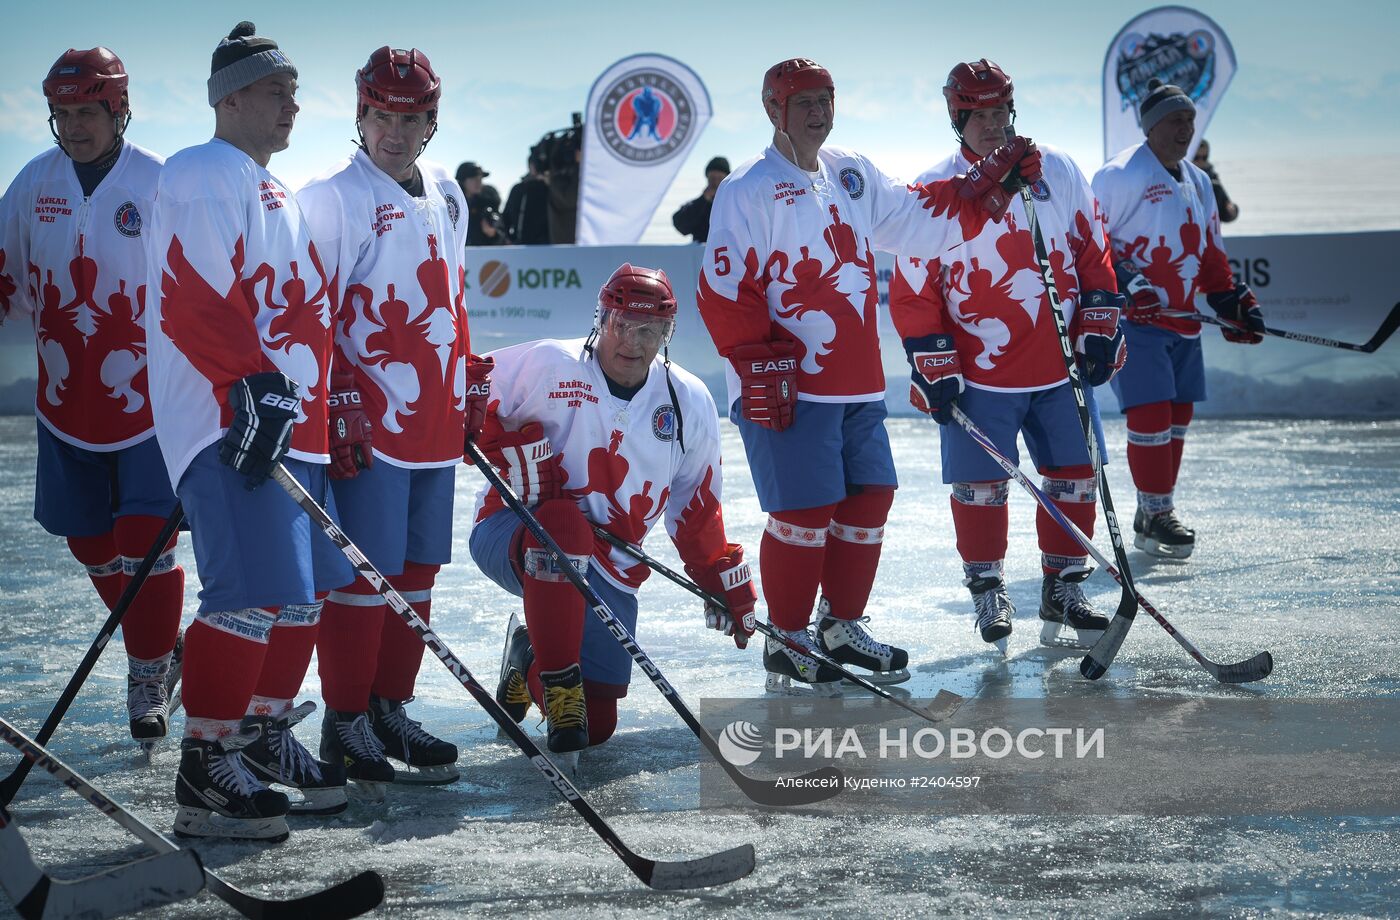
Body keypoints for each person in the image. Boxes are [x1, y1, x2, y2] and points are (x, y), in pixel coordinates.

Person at [696, 57, 1041, 694]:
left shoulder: (851, 172)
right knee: (805, 510)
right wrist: (757, 359)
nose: (818, 112)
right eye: (804, 102)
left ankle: (840, 626)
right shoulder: (748, 189)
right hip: (790, 384)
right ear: (774, 112)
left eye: (826, 98)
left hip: (856, 381)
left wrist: (984, 192)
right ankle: (790, 640)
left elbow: (914, 222)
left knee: (870, 497)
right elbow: (721, 289)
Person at [145, 21, 353, 842]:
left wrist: (316, 402)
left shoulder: (275, 188)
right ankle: (206, 766)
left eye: (295, 92)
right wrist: (249, 389)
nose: (292, 106)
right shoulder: (202, 171)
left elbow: (299, 313)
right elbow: (191, 294)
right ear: (228, 97)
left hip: (283, 421)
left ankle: (262, 737)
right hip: (227, 417)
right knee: (251, 588)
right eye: (277, 91)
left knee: (301, 595)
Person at [298, 46, 491, 793]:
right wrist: (337, 393)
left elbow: (454, 298)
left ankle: (388, 709)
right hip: (371, 424)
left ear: (430, 122)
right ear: (360, 113)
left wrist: (470, 379)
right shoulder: (331, 195)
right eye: (381, 115)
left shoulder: (446, 193)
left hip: (433, 419)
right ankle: (344, 719)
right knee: (362, 573)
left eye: (410, 119)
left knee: (416, 571)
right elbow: (308, 312)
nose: (394, 132)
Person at [470, 264, 756, 762]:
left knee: (597, 727)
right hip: (514, 530)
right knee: (562, 524)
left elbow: (696, 502)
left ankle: (526, 653)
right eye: (621, 324)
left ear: (668, 335)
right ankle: (559, 683)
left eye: (650, 330)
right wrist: (504, 447)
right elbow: (459, 394)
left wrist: (716, 571)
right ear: (601, 318)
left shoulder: (687, 400)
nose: (632, 341)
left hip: (611, 564)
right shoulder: (549, 365)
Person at [890, 59, 1127, 653]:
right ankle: (987, 588)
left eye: (1002, 112)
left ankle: (1065, 585)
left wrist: (1099, 318)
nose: (994, 125)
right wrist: (931, 356)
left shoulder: (1058, 170)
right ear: (958, 118)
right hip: (981, 373)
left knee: (1073, 477)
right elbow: (914, 287)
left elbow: (1093, 247)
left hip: (1061, 365)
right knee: (979, 485)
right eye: (981, 115)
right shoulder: (936, 189)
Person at [0, 48, 185, 753]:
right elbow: (4, 272)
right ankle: (167, 650)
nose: (73, 127)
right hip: (63, 397)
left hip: (148, 401)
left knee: (146, 537)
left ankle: (145, 679)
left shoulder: (161, 180)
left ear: (118, 110)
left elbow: (199, 281)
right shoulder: (32, 182)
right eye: (63, 114)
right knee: (90, 543)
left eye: (87, 112)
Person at [1092, 79, 1265, 559]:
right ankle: (1158, 511)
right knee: (1150, 409)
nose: (1185, 128)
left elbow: (1209, 248)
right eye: (1175, 120)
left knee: (1179, 415)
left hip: (1183, 317)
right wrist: (1127, 282)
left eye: (1189, 119)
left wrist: (1230, 300)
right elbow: (1089, 242)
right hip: (1135, 321)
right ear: (1151, 127)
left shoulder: (1198, 179)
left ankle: (1153, 512)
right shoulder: (1118, 175)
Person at [672, 156, 730, 243]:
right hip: (702, 253)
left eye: (719, 178)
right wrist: (703, 200)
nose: (715, 182)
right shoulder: (697, 205)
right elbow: (681, 226)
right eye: (713, 178)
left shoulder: (734, 204)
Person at [502, 152, 551, 245]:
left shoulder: (552, 188)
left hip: (549, 245)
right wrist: (509, 238)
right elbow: (506, 217)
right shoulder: (520, 189)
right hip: (522, 244)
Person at [457, 161, 505, 245]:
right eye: (473, 179)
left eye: (480, 179)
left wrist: (493, 233)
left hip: (483, 254)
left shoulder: (488, 203)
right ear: (462, 181)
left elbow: (501, 234)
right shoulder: (453, 204)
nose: (478, 182)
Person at [1191, 139, 1239, 222]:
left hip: (1209, 232)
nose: (1201, 161)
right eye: (1196, 157)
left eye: (1204, 157)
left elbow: (1224, 208)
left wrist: (1231, 211)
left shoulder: (1212, 178)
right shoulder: (1181, 177)